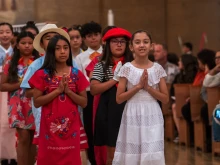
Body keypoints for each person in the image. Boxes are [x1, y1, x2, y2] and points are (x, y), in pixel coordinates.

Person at [28, 35, 89, 165]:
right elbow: (37, 102)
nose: (63, 51)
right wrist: (57, 91)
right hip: (49, 130)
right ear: (51, 51)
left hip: (71, 128)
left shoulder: (77, 74)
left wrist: (68, 92)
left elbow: (84, 102)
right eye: (58, 48)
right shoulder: (42, 74)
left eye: (66, 48)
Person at [112, 30, 169, 165]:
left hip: (152, 113)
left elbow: (165, 99)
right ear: (131, 47)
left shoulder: (157, 68)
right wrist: (138, 86)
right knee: (133, 152)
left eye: (145, 42)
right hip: (132, 112)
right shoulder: (127, 68)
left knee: (152, 151)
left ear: (151, 46)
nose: (142, 45)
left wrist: (148, 88)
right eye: (137, 42)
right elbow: (119, 98)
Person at [90, 27, 132, 165]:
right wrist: (114, 79)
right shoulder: (101, 64)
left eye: (122, 41)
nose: (119, 44)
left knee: (131, 152)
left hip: (130, 109)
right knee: (112, 154)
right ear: (108, 45)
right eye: (115, 41)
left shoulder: (133, 64)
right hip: (109, 110)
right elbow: (94, 89)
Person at [0, 31, 40, 165]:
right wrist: (21, 84)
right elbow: (2, 86)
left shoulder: (40, 61)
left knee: (33, 139)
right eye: (23, 43)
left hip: (35, 103)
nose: (27, 46)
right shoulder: (11, 62)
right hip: (17, 105)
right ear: (17, 45)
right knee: (23, 138)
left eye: (30, 43)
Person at [85, 25, 116, 165]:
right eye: (111, 39)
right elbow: (94, 82)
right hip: (102, 99)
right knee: (103, 137)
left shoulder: (129, 59)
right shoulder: (99, 60)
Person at [74, 21, 102, 165]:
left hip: (107, 95)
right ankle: (92, 159)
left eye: (96, 35)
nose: (93, 38)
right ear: (84, 39)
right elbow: (81, 78)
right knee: (90, 128)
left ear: (101, 36)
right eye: (89, 36)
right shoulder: (80, 58)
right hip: (90, 96)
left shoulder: (107, 53)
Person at [170, 54, 198, 143]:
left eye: (180, 61)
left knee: (176, 107)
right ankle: (181, 134)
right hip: (180, 100)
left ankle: (184, 135)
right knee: (174, 106)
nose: (178, 62)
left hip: (192, 101)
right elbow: (172, 89)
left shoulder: (194, 74)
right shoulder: (179, 75)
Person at [0, 22, 16, 165]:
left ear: (12, 34)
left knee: (12, 123)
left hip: (14, 91)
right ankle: (3, 156)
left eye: (7, 32)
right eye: (1, 32)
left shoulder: (17, 52)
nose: (4, 35)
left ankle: (14, 155)